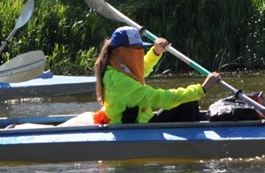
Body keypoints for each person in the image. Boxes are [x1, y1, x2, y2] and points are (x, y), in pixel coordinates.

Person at [92, 26, 221, 125]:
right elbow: (158, 98)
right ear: (120, 52)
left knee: (188, 101)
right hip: (135, 128)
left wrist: (156, 52)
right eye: (136, 51)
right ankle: (191, 147)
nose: (138, 55)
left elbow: (141, 69)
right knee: (188, 101)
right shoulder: (118, 79)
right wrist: (201, 89)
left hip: (144, 121)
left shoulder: (117, 66)